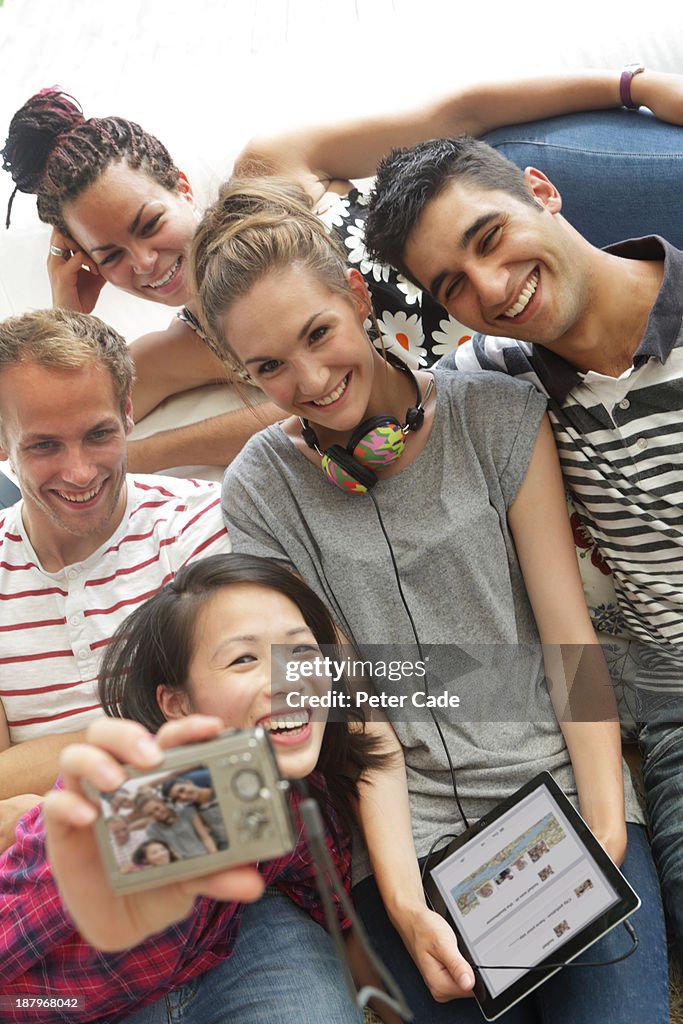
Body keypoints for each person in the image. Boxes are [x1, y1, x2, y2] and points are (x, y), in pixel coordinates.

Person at [190, 179, 668, 1023]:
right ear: (238, 371)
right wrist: (408, 906)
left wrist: (603, 828)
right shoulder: (257, 493)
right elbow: (353, 710)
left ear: (352, 292)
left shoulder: (495, 411)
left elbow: (568, 645)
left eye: (318, 335)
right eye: (268, 367)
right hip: (405, 847)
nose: (310, 380)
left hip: (564, 792)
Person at [3, 72, 683, 469]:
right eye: (111, 256)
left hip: (544, 223)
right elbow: (33, 429)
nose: (145, 266)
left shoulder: (274, 165)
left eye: (149, 226)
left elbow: (456, 118)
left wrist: (634, 85)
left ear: (181, 185)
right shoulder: (194, 345)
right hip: (572, 377)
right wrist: (68, 315)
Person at [361, 133, 683, 959]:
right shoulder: (494, 380)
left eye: (489, 238)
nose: (494, 289)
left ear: (542, 190)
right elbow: (340, 396)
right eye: (453, 285)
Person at [1, 552, 386, 1024]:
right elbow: (18, 932)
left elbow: (319, 883)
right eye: (244, 659)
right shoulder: (139, 803)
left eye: (301, 651)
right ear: (177, 704)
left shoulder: (292, 792)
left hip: (197, 965)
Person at [0, 307, 230, 807]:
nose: (79, 473)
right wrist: (149, 731)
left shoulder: (197, 526)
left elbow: (229, 737)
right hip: (41, 876)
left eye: (98, 434)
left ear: (128, 411)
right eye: (44, 445)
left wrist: (37, 793)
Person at [162, 775, 228, 848]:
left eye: (182, 790)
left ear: (189, 782)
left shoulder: (221, 789)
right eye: (177, 798)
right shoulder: (193, 811)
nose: (184, 797)